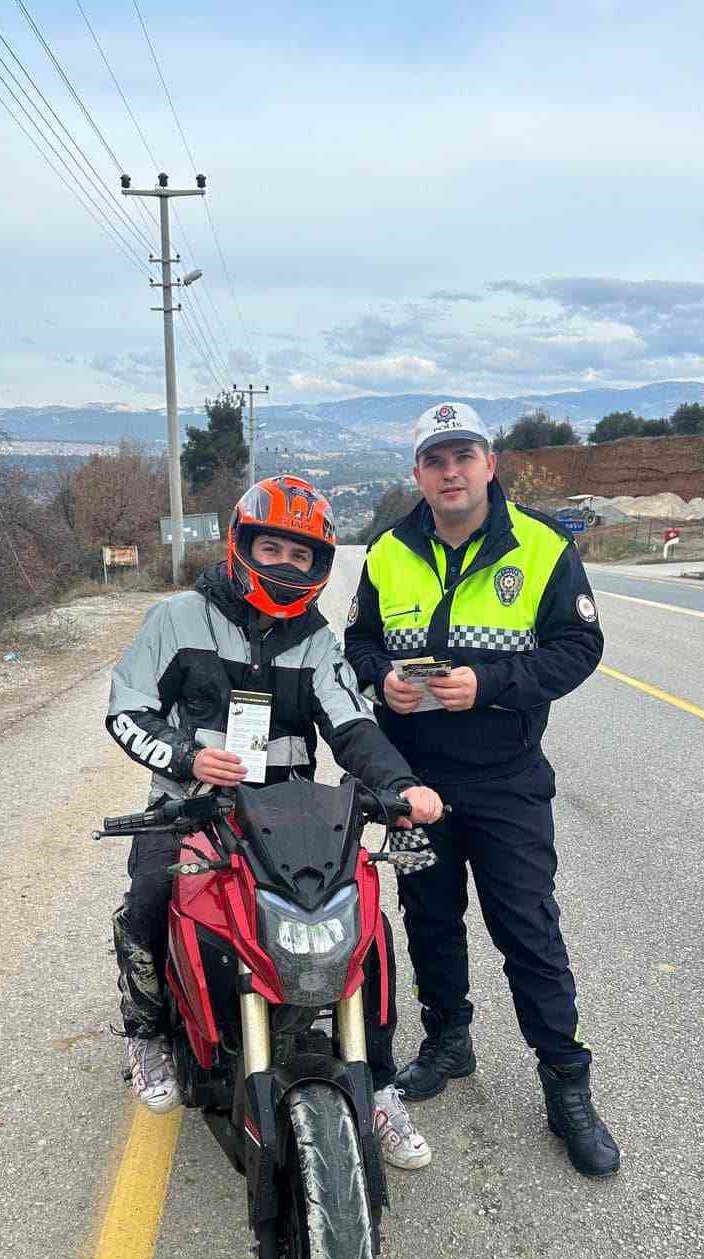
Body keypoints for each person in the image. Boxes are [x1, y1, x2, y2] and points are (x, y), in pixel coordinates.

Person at [106, 474, 444, 1170]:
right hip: (189, 803)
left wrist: (402, 784)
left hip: (290, 815)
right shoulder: (176, 620)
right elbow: (126, 710)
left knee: (366, 927)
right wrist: (186, 755)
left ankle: (376, 1083)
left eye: (303, 556)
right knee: (147, 900)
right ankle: (146, 1032)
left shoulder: (319, 644)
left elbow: (352, 727)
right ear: (240, 546)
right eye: (272, 549)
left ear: (319, 568)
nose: (287, 566)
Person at [344, 402, 620, 1179]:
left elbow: (580, 646)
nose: (451, 471)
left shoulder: (539, 546)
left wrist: (492, 684)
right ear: (419, 475)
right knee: (428, 919)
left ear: (489, 464)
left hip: (506, 781)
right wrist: (381, 679)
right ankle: (447, 1041)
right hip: (414, 783)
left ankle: (567, 1086)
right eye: (435, 460)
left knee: (529, 933)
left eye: (463, 455)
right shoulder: (390, 550)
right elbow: (359, 640)